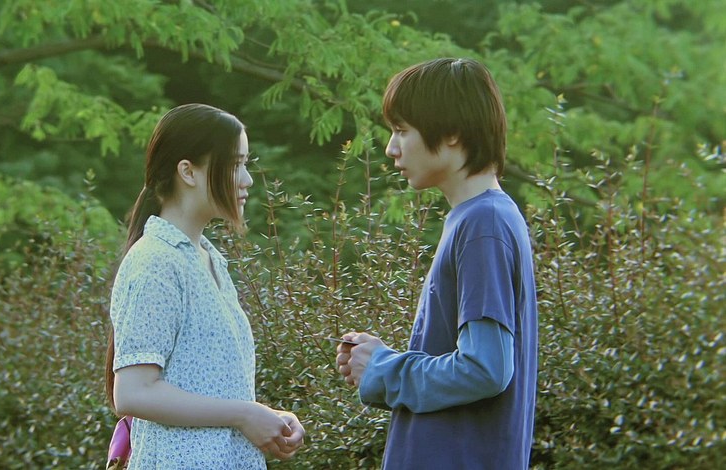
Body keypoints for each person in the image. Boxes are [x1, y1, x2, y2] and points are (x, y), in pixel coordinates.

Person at [336, 58, 538, 469]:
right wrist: (377, 362)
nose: (391, 148)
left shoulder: (484, 224)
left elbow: (485, 369)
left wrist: (384, 368)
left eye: (401, 130)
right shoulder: (479, 218)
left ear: (451, 133)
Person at [104, 103, 305, 469]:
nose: (247, 180)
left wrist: (265, 417)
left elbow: (207, 387)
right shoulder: (155, 261)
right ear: (188, 171)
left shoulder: (207, 258)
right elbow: (133, 392)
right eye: (235, 164)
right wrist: (243, 414)